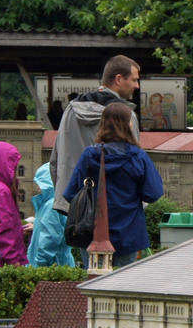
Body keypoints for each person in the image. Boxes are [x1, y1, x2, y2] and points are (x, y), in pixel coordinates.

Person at [61, 104, 163, 268]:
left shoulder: (89, 155)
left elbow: (71, 193)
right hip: (129, 233)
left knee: (94, 285)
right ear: (127, 124)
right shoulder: (138, 156)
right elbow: (153, 193)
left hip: (91, 232)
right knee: (123, 285)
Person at [51, 55, 141, 215]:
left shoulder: (71, 111)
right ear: (118, 79)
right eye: (134, 80)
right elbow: (133, 165)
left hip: (75, 205)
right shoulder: (125, 116)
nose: (137, 86)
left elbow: (56, 160)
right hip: (113, 207)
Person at [26, 163, 76, 268]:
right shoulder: (50, 203)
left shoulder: (51, 206)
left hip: (53, 266)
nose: (37, 186)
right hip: (58, 263)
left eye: (39, 182)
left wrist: (40, 263)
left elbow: (50, 238)